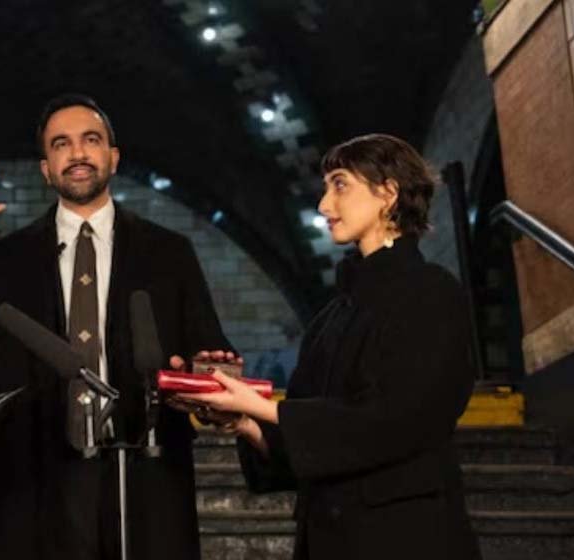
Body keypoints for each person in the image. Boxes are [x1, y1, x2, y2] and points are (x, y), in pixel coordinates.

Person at [0, 94, 230, 560]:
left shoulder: (169, 254)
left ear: (113, 157)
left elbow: (209, 354)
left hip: (143, 478)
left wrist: (207, 374)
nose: (78, 153)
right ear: (46, 169)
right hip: (33, 487)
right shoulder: (4, 262)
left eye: (91, 139)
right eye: (61, 144)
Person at [174, 134, 482, 560]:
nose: (323, 205)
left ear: (388, 193)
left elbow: (402, 417)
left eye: (340, 185)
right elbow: (309, 448)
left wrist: (263, 407)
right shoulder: (329, 318)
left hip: (405, 538)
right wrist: (243, 420)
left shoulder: (431, 291)